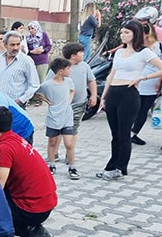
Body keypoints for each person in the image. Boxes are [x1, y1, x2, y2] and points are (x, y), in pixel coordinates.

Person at [0, 106, 57, 237]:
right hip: (45, 202)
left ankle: (27, 233)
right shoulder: (13, 139)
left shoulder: (4, 148)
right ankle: (34, 228)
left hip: (33, 208)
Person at [96, 20, 162, 180]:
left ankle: (118, 167)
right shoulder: (119, 52)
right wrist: (103, 97)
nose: (123, 35)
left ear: (135, 34)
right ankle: (112, 165)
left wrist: (143, 77)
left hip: (129, 93)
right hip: (113, 93)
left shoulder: (144, 52)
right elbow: (112, 74)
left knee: (124, 133)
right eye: (121, 32)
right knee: (115, 134)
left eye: (126, 32)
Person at [46, 42, 97, 162]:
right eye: (81, 52)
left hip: (79, 104)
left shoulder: (85, 66)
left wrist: (94, 95)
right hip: (60, 106)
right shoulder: (58, 67)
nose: (83, 54)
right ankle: (54, 154)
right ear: (73, 56)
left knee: (73, 130)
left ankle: (70, 155)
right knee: (57, 129)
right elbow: (48, 85)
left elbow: (91, 81)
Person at [35, 58, 78, 179]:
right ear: (60, 71)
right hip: (53, 117)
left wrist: (69, 100)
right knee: (52, 141)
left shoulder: (68, 81)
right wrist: (47, 101)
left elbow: (72, 90)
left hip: (67, 117)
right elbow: (36, 92)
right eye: (68, 69)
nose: (70, 71)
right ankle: (52, 164)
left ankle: (72, 166)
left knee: (69, 143)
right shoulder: (47, 85)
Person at [132, 22, 162, 146]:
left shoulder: (158, 46)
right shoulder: (136, 47)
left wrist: (159, 82)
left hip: (151, 83)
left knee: (143, 110)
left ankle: (133, 133)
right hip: (138, 82)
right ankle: (131, 133)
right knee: (138, 110)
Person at [0, 31, 40, 108]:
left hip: (17, 105)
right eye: (12, 45)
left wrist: (21, 100)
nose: (16, 48)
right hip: (0, 103)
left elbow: (34, 85)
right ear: (5, 45)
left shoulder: (26, 61)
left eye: (18, 44)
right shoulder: (0, 58)